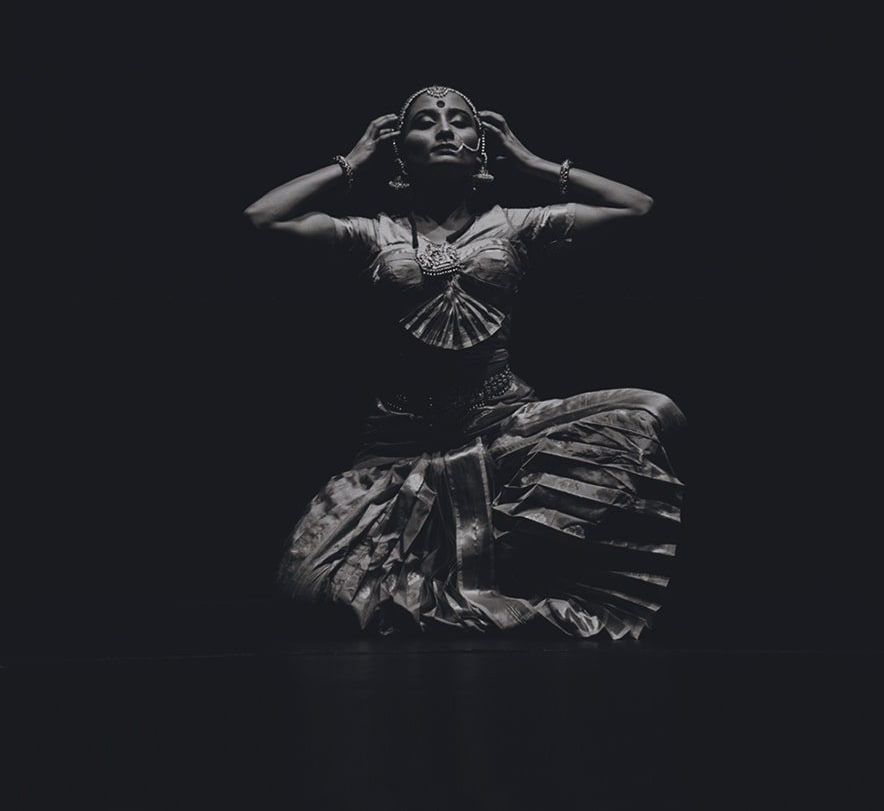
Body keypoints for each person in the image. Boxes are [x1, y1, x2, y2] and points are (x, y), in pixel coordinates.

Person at [245, 85, 685, 639]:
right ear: (400, 149)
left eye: (459, 121)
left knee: (647, 412)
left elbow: (636, 207)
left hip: (503, 425)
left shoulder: (516, 225)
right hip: (400, 440)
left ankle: (513, 567)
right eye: (425, 122)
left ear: (480, 146)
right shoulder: (372, 233)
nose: (445, 130)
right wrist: (352, 161)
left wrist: (532, 162)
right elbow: (263, 217)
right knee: (308, 587)